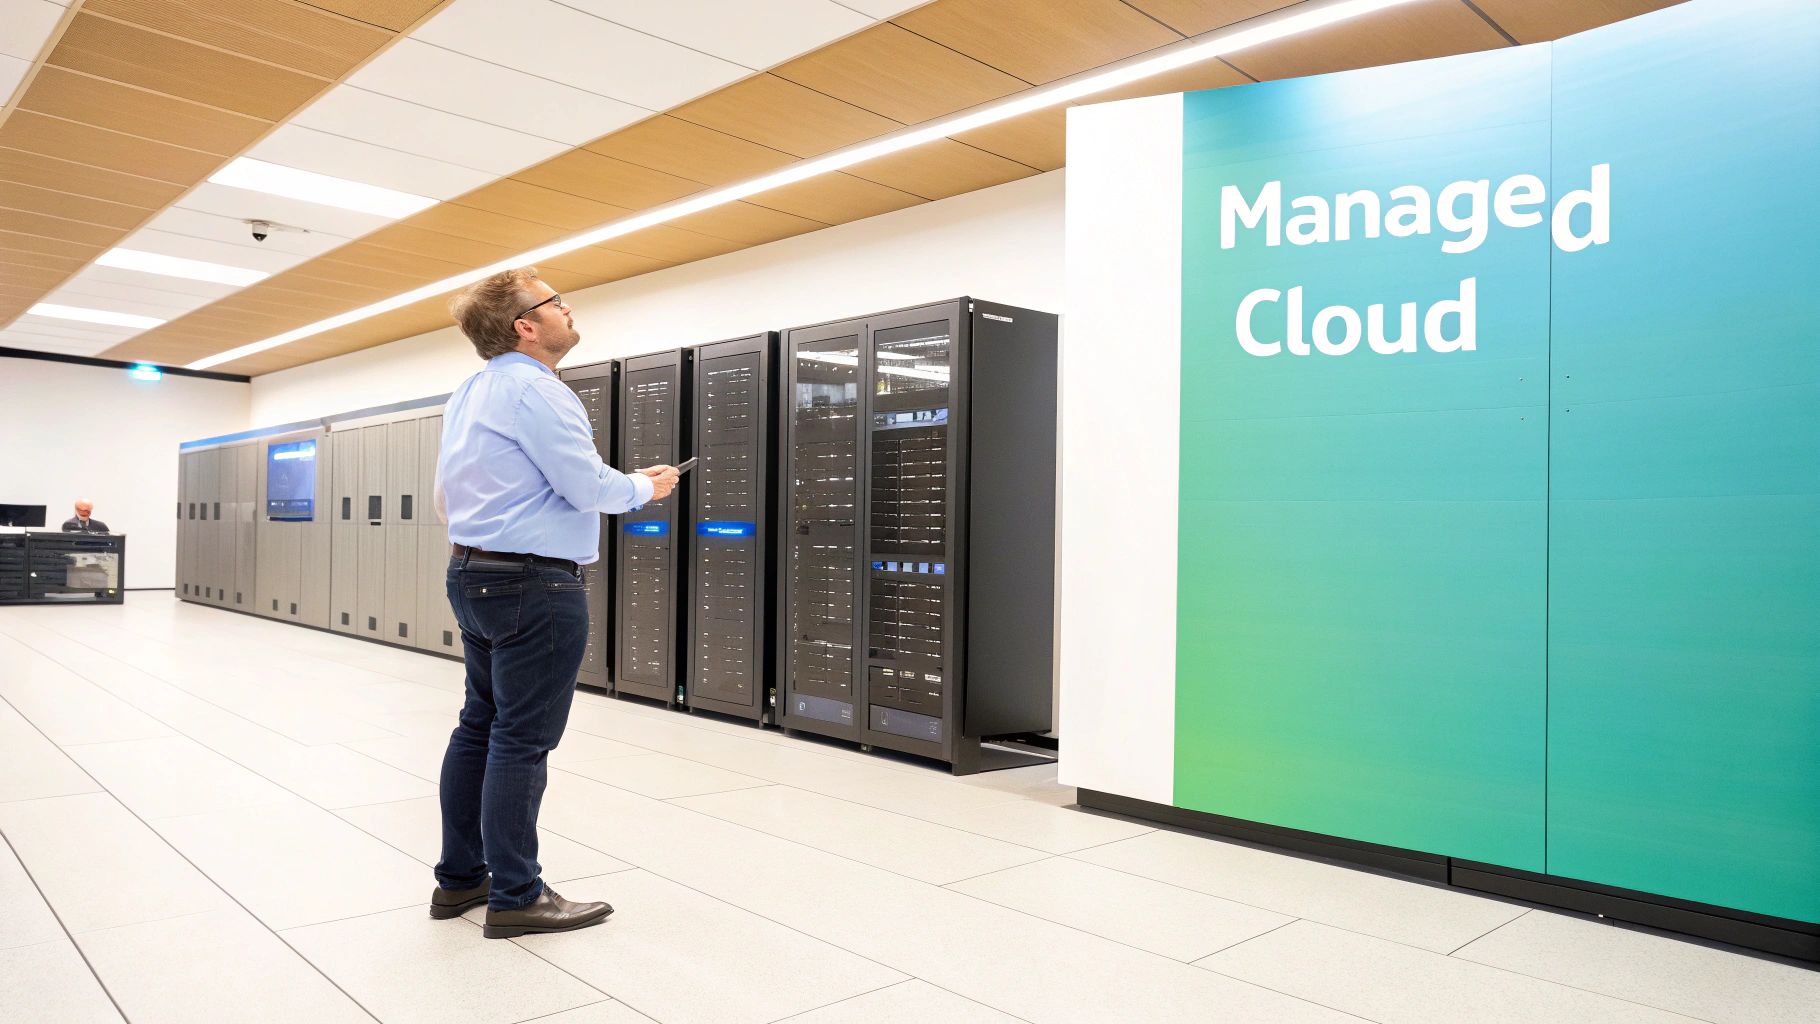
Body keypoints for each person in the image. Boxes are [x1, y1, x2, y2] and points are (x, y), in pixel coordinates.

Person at [429, 267, 678, 939]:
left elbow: (444, 499)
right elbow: (581, 484)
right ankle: (516, 894)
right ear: (525, 326)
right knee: (521, 737)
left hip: (473, 572)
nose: (569, 309)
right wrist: (642, 488)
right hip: (534, 583)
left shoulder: (472, 391)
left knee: (479, 725)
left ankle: (460, 880)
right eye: (555, 302)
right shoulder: (538, 390)